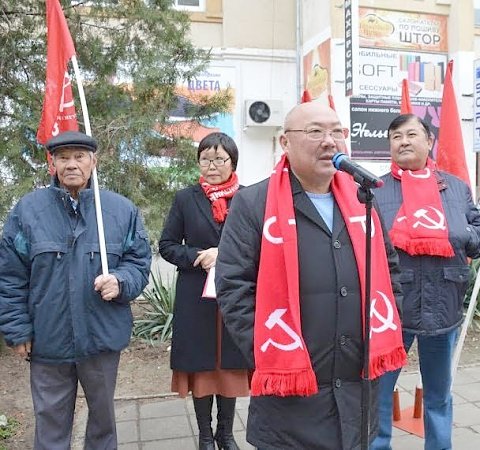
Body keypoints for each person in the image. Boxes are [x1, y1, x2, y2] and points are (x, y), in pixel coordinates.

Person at [215, 102, 407, 450]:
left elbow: (390, 272)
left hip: (355, 390)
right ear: (285, 143)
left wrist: (380, 332)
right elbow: (233, 287)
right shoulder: (253, 203)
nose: (329, 141)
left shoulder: (363, 200)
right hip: (291, 399)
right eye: (315, 131)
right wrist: (267, 353)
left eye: (336, 131)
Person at [0, 130, 152, 450]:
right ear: (51, 163)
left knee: (102, 419)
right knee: (50, 421)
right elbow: (10, 277)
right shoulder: (28, 212)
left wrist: (121, 281)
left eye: (80, 156)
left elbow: (139, 263)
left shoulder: (120, 211)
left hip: (101, 337)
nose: (72, 164)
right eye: (63, 157)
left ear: (93, 161)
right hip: (48, 339)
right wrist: (17, 329)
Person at [371, 114, 480, 450]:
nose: (404, 141)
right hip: (392, 310)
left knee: (438, 394)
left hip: (443, 307)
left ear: (429, 142)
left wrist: (463, 234)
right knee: (379, 394)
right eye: (396, 136)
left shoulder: (454, 187)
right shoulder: (375, 191)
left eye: (412, 134)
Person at [159, 132, 248, 450]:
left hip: (237, 297)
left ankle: (226, 433)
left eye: (219, 159)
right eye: (205, 159)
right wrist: (199, 256)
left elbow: (261, 245)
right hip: (196, 296)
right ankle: (205, 435)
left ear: (232, 162)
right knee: (202, 367)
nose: (212, 165)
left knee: (230, 367)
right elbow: (167, 246)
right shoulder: (186, 198)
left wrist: (224, 254)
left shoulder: (249, 198)